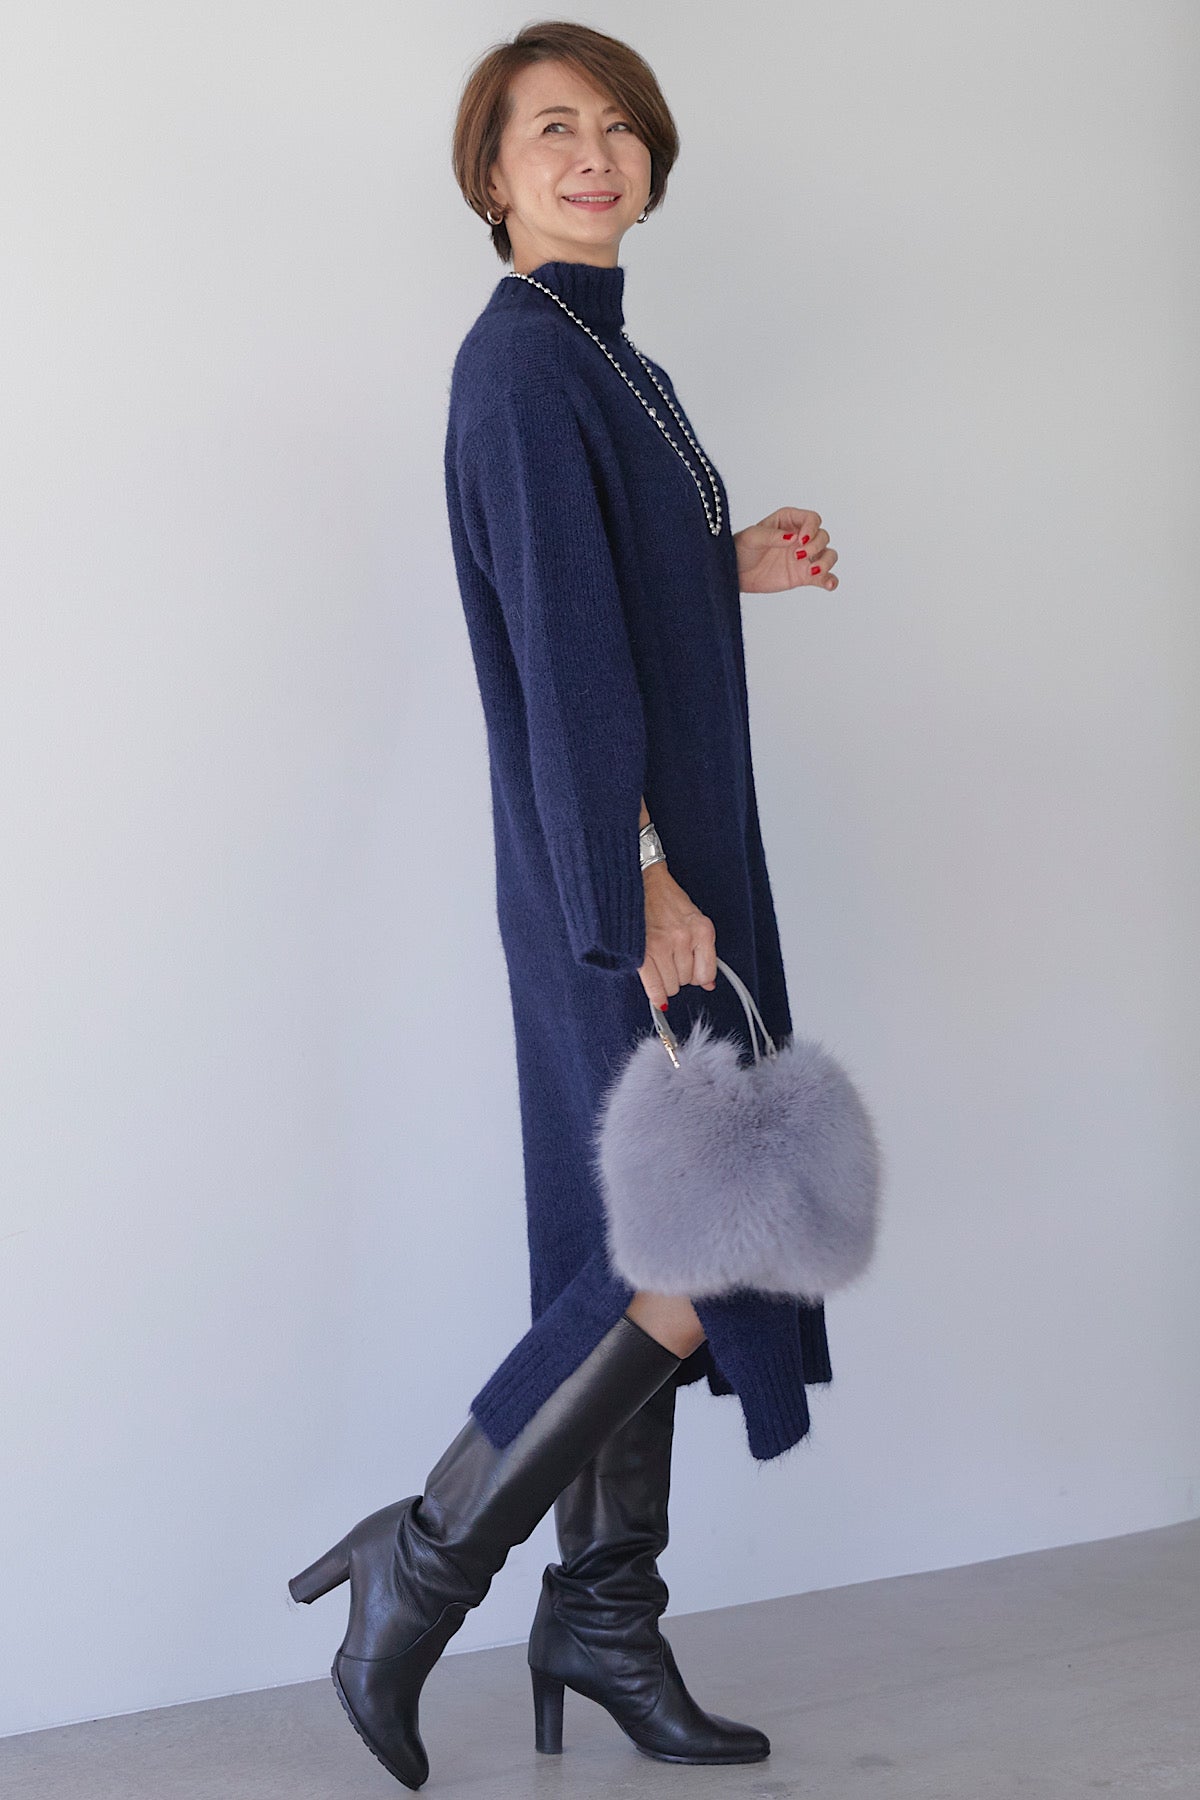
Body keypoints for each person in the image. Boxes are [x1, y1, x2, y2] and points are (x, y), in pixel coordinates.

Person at [289, 21, 841, 1791]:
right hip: (623, 872)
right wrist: (646, 875)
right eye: (552, 131)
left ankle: (603, 1617)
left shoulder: (605, 356)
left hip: (653, 856)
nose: (594, 154)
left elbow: (604, 588)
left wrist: (723, 560)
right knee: (704, 1232)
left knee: (643, 1232)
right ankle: (428, 1558)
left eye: (618, 127)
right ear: (493, 174)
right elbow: (563, 656)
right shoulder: (528, 364)